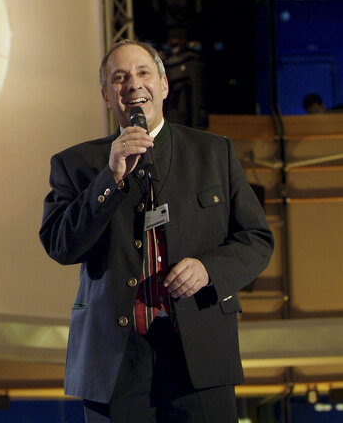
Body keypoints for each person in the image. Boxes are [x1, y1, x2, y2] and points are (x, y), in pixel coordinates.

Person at [39, 40, 274, 422]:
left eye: (143, 73)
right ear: (106, 95)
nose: (133, 85)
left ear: (163, 85)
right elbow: (61, 246)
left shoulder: (214, 153)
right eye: (120, 78)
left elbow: (256, 240)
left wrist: (208, 269)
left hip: (199, 351)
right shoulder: (75, 164)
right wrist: (109, 179)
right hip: (114, 358)